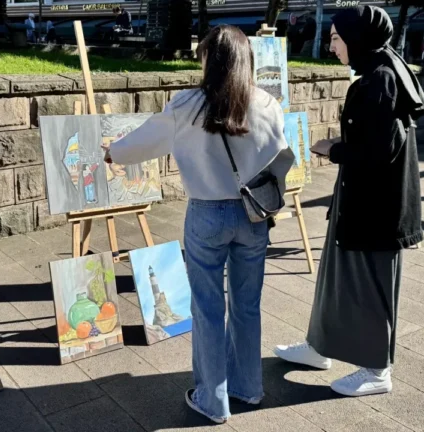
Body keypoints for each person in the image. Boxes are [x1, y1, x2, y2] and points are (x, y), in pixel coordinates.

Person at [103, 25, 291, 423]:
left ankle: (212, 398)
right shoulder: (267, 103)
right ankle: (248, 387)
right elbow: (282, 160)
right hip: (254, 213)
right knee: (247, 305)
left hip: (207, 213)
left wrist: (113, 153)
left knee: (207, 307)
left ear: (210, 60)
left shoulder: (187, 104)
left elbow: (141, 143)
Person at [274, 5, 424, 397]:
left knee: (370, 284)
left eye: (337, 37)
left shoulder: (379, 81)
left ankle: (377, 370)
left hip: (375, 208)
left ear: (358, 38)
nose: (331, 46)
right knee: (335, 274)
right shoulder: (383, 70)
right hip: (361, 200)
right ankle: (319, 346)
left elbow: (380, 150)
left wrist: (333, 148)